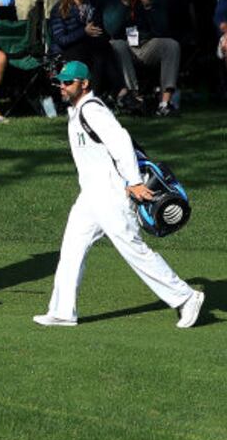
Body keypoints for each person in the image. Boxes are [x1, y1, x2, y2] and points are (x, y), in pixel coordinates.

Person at [34, 60, 203, 329]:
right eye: (60, 82)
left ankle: (186, 297)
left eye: (68, 82)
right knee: (71, 250)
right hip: (90, 197)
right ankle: (63, 311)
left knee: (134, 250)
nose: (62, 87)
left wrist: (134, 182)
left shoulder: (92, 110)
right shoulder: (77, 111)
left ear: (84, 84)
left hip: (111, 195)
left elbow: (121, 141)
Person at [103, 0, 178, 115]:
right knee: (116, 44)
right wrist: (124, 4)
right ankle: (133, 99)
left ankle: (165, 103)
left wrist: (147, 5)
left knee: (171, 45)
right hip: (125, 46)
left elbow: (162, 30)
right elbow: (111, 30)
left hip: (147, 44)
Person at [49, 0, 129, 104]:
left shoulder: (93, 5)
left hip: (91, 47)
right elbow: (61, 40)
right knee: (99, 51)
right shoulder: (59, 9)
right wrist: (84, 32)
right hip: (66, 51)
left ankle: (107, 93)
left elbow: (100, 30)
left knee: (103, 48)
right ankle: (117, 91)